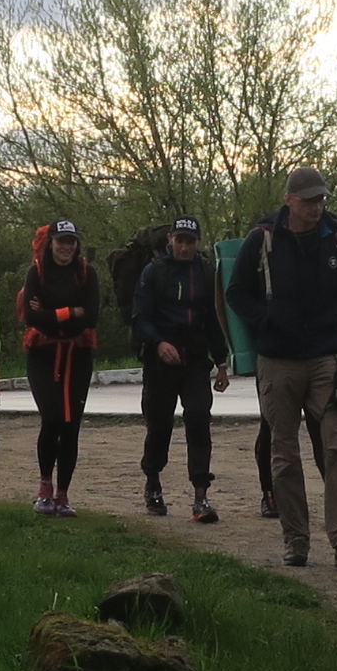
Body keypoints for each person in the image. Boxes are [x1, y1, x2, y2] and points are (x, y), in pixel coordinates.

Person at [229, 166, 337, 571]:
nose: (317, 206)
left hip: (325, 359)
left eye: (321, 199)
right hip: (277, 361)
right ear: (289, 200)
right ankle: (295, 539)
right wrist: (265, 320)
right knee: (284, 452)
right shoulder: (262, 239)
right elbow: (236, 292)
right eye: (310, 200)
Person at [129, 212, 230, 521]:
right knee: (159, 425)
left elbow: (213, 319)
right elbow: (140, 317)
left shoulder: (206, 272)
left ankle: (201, 495)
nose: (184, 247)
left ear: (197, 242)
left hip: (195, 361)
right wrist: (159, 343)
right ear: (170, 240)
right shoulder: (154, 272)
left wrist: (222, 363)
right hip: (160, 363)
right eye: (180, 241)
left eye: (190, 241)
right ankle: (153, 482)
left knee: (199, 420)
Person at [20, 217, 105, 514]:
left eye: (71, 242)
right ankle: (44, 488)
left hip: (77, 355)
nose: (66, 247)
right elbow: (31, 317)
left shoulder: (86, 273)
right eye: (61, 242)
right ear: (51, 243)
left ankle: (63, 495)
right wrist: (71, 312)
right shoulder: (37, 271)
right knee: (52, 417)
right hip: (42, 355)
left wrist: (51, 312)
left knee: (71, 425)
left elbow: (91, 316)